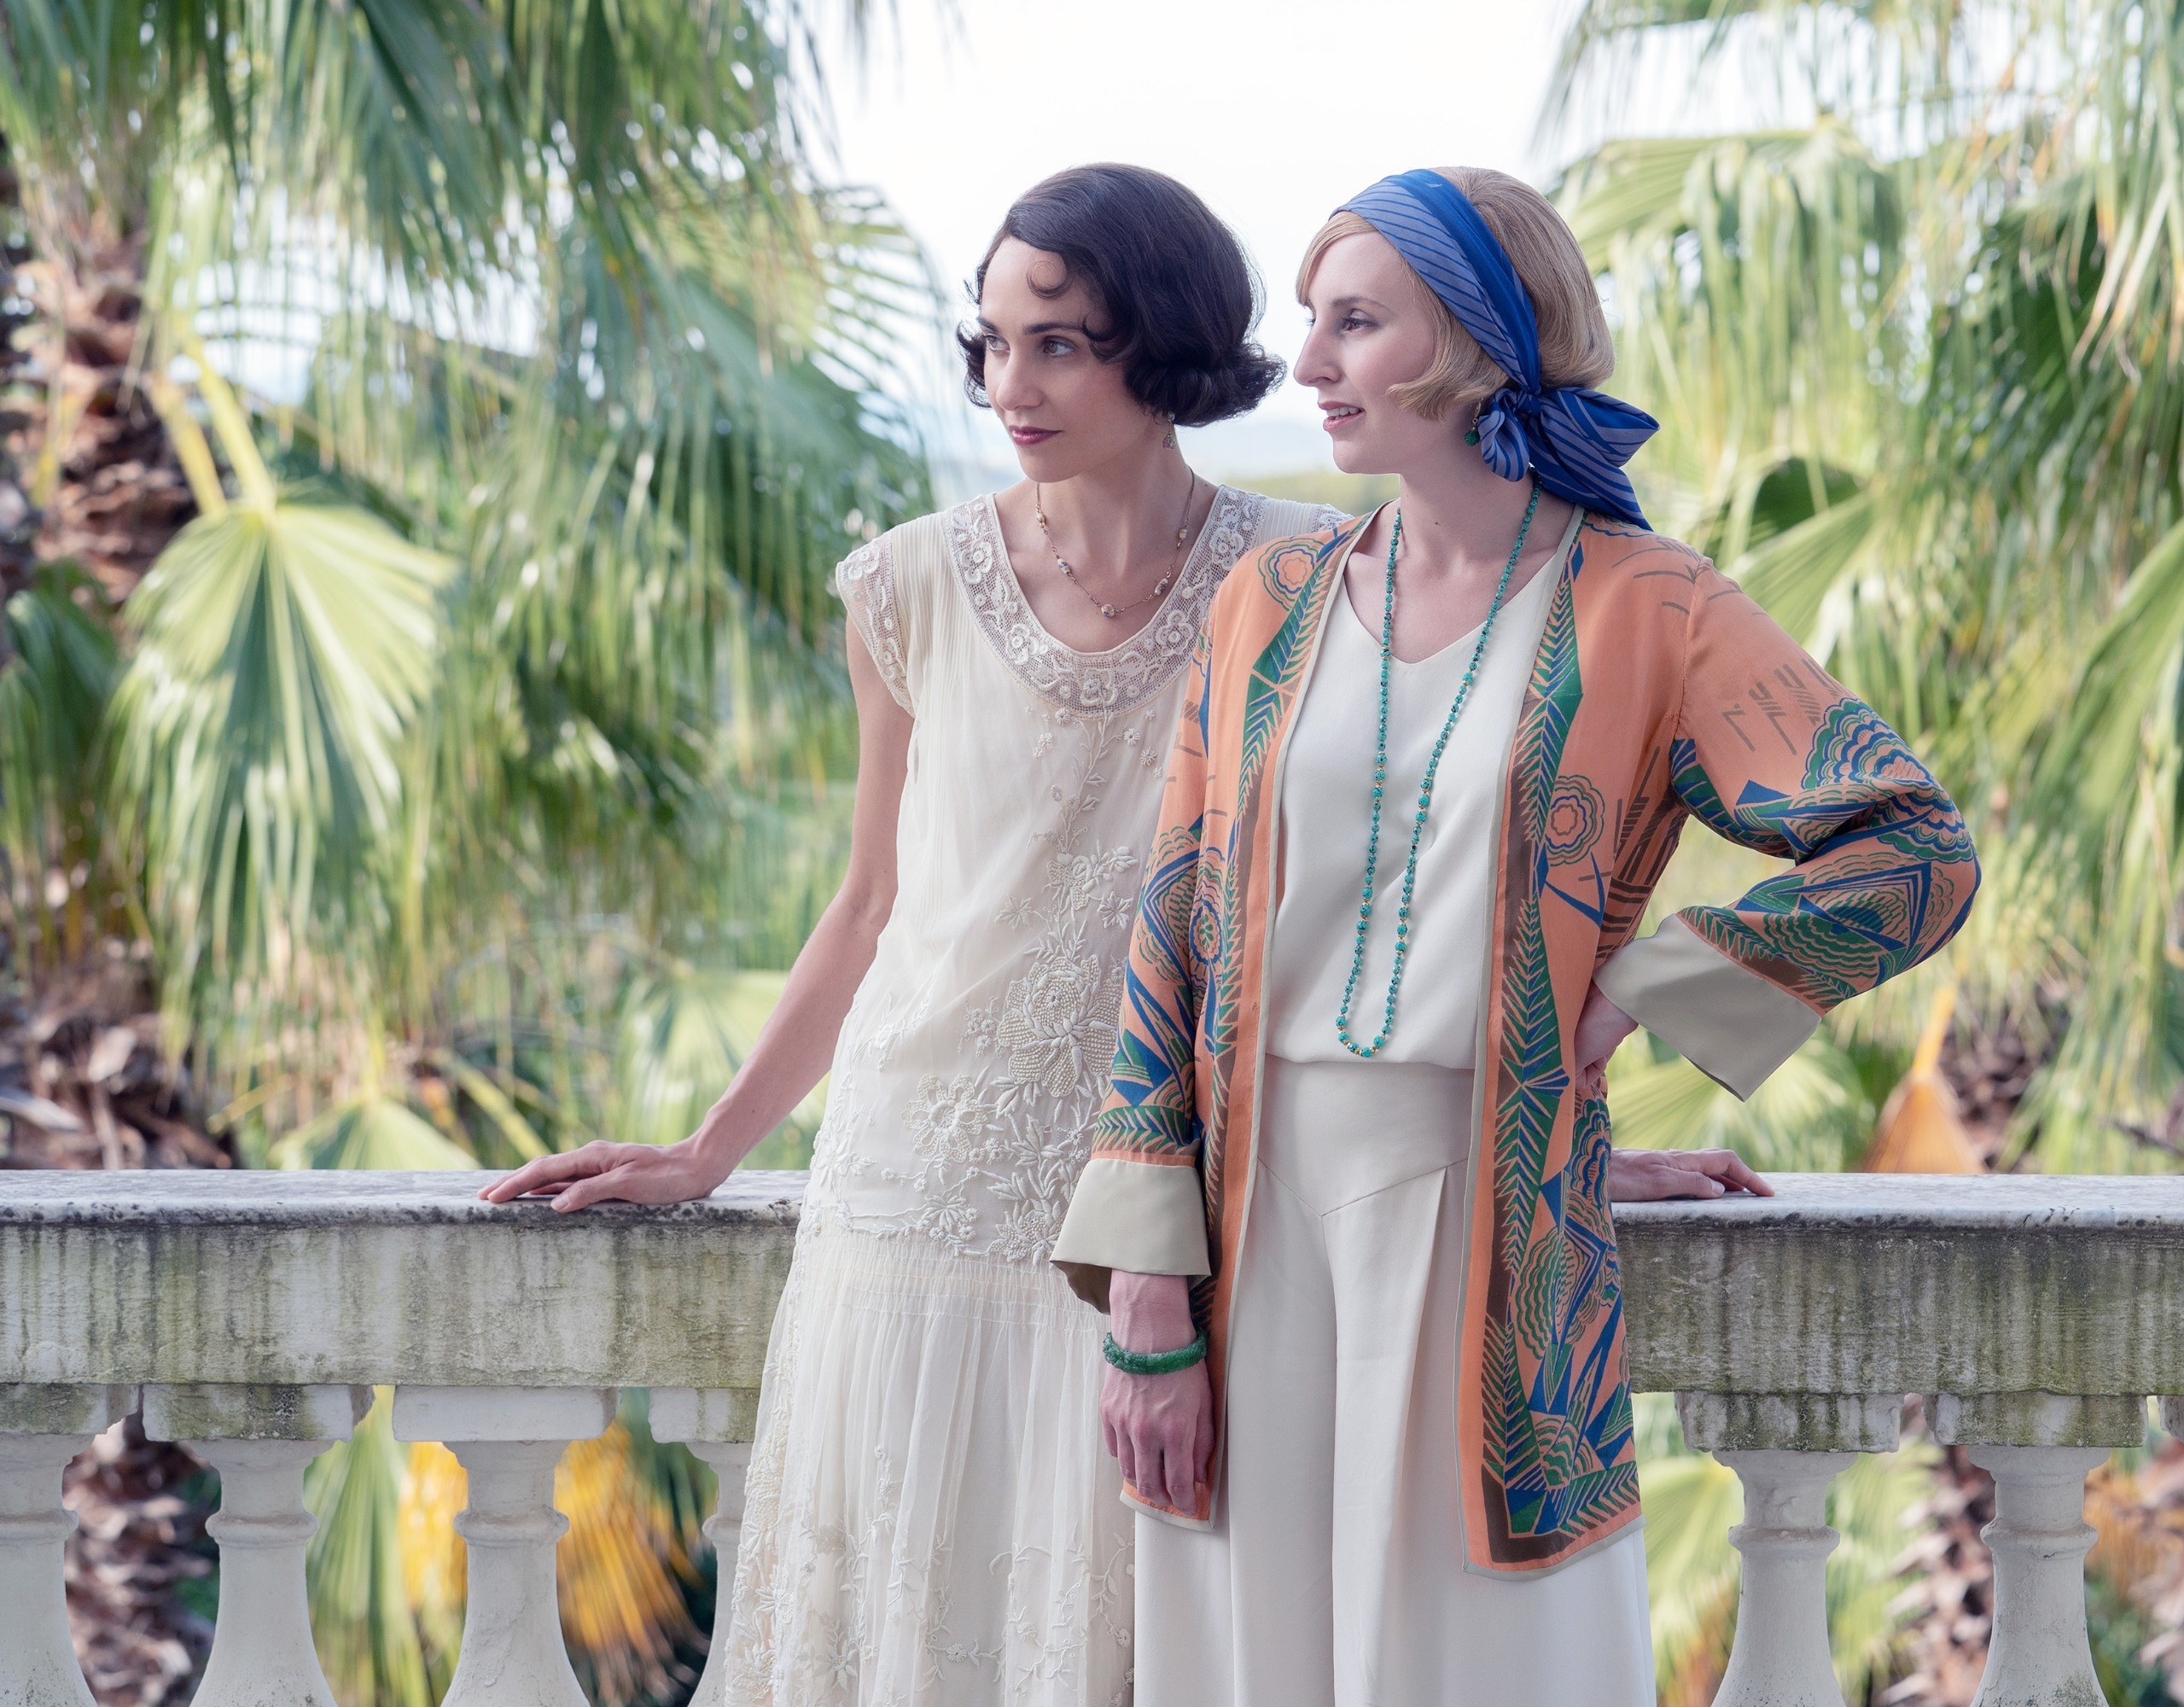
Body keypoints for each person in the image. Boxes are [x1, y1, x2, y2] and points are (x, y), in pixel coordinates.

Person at [1048, 167, 1980, 1707]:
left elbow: (1909, 847)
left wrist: (1640, 1000)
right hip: (1253, 1223)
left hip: (1496, 1235)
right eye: (1311, 325)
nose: (1316, 364)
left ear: (1479, 341)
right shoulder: (1266, 606)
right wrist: (1150, 1294)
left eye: (1357, 323)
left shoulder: (1650, 609)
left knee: (1476, 1658)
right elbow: (1176, 936)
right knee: (1252, 1655)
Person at [480, 163, 1337, 1707]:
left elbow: (1387, 894)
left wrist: (1546, 1121)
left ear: (1168, 344)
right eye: (994, 339)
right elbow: (870, 902)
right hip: (912, 1193)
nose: (1013, 383)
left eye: (1062, 341)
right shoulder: (909, 585)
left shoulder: (1304, 575)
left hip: (1160, 1209)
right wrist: (707, 1150)